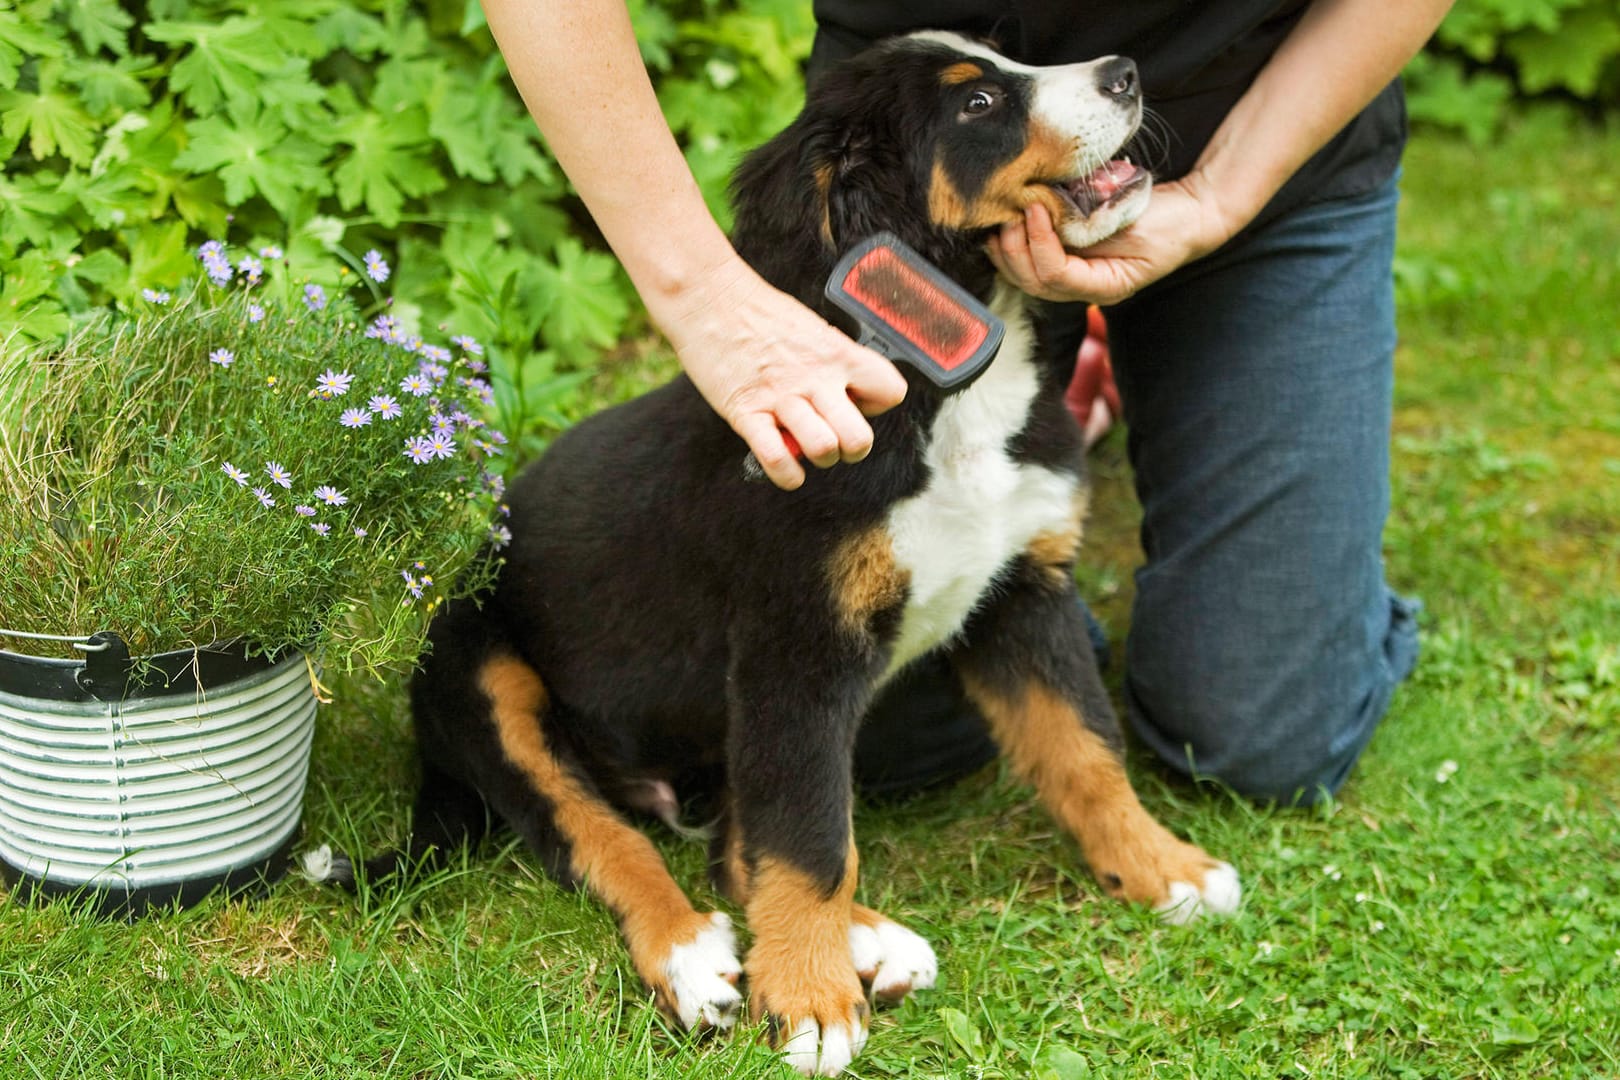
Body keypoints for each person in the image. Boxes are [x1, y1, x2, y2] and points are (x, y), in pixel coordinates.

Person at [480, 0, 1448, 804]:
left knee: (1259, 743)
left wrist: (1223, 196)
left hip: (1267, 142)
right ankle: (1051, 438)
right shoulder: (873, 149)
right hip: (920, 217)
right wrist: (703, 293)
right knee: (875, 736)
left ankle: (1113, 426)